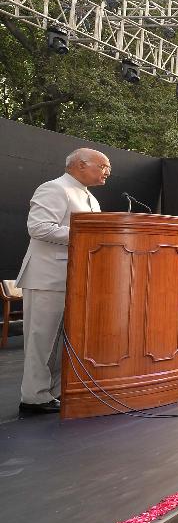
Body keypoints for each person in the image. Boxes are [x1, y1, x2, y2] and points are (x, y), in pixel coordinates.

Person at [15, 148, 109, 415]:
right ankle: (33, 397)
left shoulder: (90, 198)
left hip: (77, 278)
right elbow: (38, 227)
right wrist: (87, 234)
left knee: (64, 342)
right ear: (81, 165)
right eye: (103, 166)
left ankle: (54, 392)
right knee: (42, 340)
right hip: (47, 276)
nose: (107, 172)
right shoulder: (54, 188)